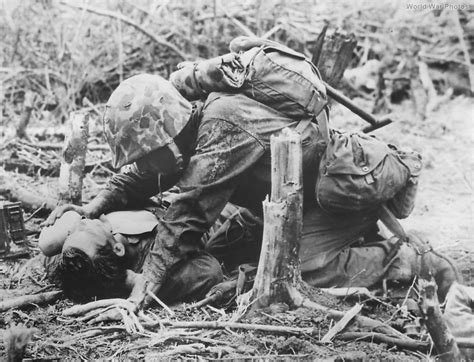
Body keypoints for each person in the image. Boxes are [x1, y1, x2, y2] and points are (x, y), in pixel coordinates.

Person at [44, 73, 457, 310]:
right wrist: (92, 207)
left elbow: (186, 213)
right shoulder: (191, 136)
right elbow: (143, 179)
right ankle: (353, 241)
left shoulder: (222, 128)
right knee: (242, 245)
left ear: (167, 140)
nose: (145, 164)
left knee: (301, 269)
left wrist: (145, 284)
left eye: (147, 155)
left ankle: (408, 261)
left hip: (336, 194)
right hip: (293, 199)